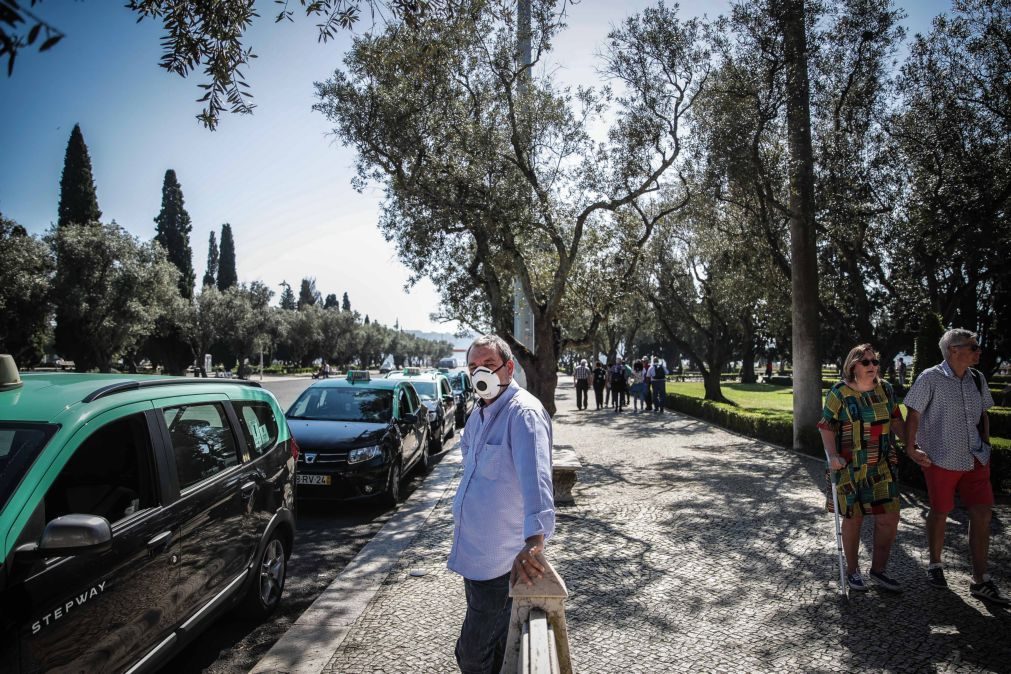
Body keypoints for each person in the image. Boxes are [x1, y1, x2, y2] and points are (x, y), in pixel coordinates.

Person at [449, 335, 556, 673]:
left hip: (501, 564)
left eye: (489, 366)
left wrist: (534, 544)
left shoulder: (523, 414)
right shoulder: (478, 414)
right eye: (473, 368)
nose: (480, 373)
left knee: (471, 653)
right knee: (493, 649)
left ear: (509, 368)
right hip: (474, 558)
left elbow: (537, 480)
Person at [904, 329, 1007, 604]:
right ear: (954, 350)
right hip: (941, 457)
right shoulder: (930, 378)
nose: (978, 351)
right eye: (973, 347)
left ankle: (980, 579)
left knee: (983, 513)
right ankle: (935, 565)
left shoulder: (977, 378)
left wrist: (985, 444)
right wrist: (911, 447)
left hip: (975, 457)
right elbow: (913, 414)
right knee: (940, 511)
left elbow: (983, 414)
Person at [818, 344, 906, 592]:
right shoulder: (839, 393)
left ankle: (878, 571)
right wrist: (833, 456)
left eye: (875, 362)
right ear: (853, 366)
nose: (873, 366)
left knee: (889, 517)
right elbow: (826, 425)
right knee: (853, 519)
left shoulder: (886, 389)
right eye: (866, 362)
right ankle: (853, 571)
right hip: (849, 466)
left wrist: (912, 444)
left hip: (882, 465)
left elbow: (896, 420)